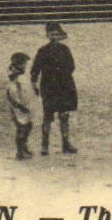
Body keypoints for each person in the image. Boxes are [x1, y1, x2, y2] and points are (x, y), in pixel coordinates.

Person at [30, 22, 78, 155]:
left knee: (64, 116)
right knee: (48, 116)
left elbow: (71, 66)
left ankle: (66, 143)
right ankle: (45, 146)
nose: (54, 36)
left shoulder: (65, 49)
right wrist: (34, 83)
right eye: (51, 34)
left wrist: (62, 75)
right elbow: (35, 69)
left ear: (60, 35)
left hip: (64, 86)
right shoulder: (42, 51)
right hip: (49, 87)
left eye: (56, 34)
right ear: (47, 35)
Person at [5, 52, 35, 161]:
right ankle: (20, 151)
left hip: (24, 103)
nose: (24, 66)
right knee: (22, 128)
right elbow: (12, 92)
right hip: (19, 105)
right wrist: (18, 105)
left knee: (27, 126)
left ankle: (23, 147)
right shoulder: (15, 76)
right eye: (23, 63)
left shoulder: (19, 74)